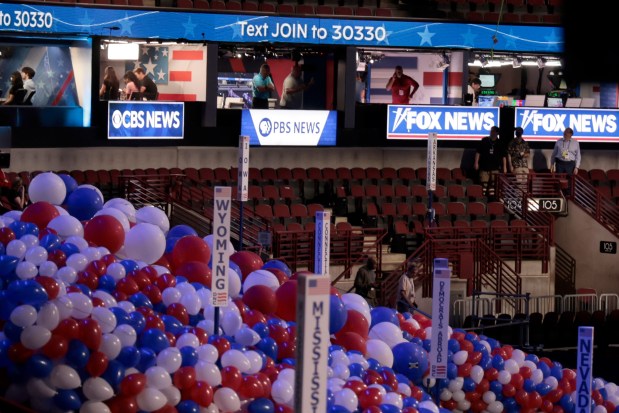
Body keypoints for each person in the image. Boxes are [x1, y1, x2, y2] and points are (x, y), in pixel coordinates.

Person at [474, 126, 507, 198]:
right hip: (484, 168)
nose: (492, 132)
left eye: (494, 131)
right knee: (483, 186)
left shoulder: (500, 142)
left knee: (493, 186)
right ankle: (482, 200)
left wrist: (504, 167)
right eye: (491, 131)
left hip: (495, 169)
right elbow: (478, 152)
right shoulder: (484, 140)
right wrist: (476, 163)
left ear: (497, 133)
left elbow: (504, 156)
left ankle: (491, 201)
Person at [550, 127, 581, 194]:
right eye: (564, 133)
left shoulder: (575, 143)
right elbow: (554, 153)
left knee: (569, 180)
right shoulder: (559, 142)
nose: (565, 134)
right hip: (559, 163)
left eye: (566, 133)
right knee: (559, 179)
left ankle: (568, 195)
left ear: (571, 134)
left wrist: (576, 167)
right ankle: (558, 194)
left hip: (570, 164)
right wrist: (552, 164)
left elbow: (578, 156)